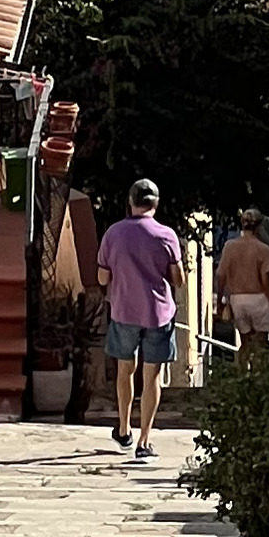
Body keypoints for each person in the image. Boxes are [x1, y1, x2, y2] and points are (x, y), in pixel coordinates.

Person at [97, 176, 184, 457]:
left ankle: (123, 428)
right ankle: (145, 440)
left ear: (130, 203)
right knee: (152, 376)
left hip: (124, 310)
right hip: (158, 313)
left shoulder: (113, 234)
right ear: (155, 205)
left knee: (125, 370)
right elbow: (178, 280)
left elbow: (102, 277)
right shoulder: (167, 235)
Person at [216, 204, 269, 359]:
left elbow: (221, 275)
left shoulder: (230, 247)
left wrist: (220, 301)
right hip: (257, 299)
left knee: (245, 343)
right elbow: (266, 283)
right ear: (259, 226)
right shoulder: (263, 249)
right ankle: (258, 377)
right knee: (261, 343)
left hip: (237, 300)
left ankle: (241, 376)